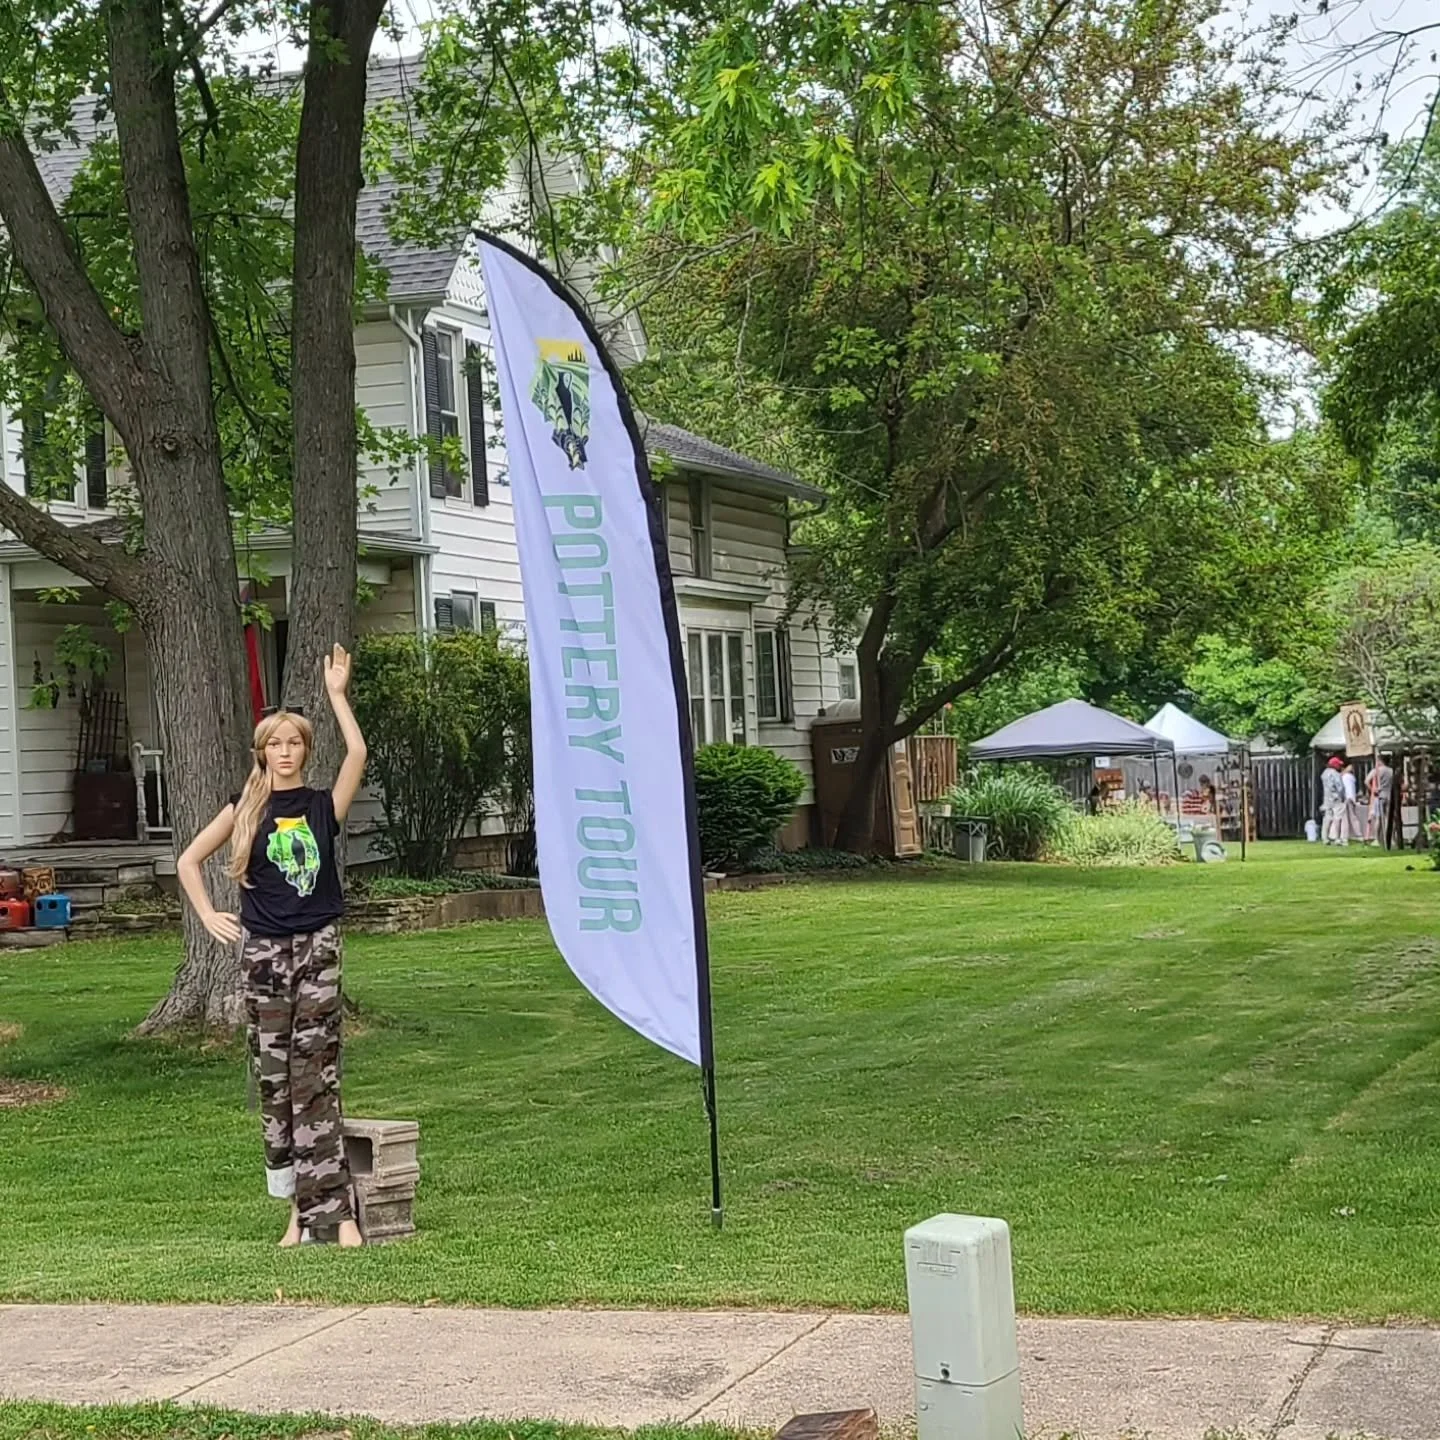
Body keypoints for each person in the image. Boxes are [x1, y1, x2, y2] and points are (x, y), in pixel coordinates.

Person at [177, 645, 368, 1247]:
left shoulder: (319, 806)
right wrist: (209, 915)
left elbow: (358, 754)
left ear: (306, 750)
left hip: (318, 946)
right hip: (263, 954)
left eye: (295, 743)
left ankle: (337, 1216)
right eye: (275, 744)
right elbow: (187, 861)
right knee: (276, 1080)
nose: (286, 752)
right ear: (262, 753)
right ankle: (295, 1212)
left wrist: (337, 696)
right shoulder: (246, 810)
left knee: (318, 1074)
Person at [1368, 753, 1395, 847]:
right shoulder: (1391, 771)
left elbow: (1366, 781)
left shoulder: (1377, 770)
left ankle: (1376, 839)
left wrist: (1373, 789)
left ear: (1380, 760)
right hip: (1389, 795)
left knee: (1379, 818)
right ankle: (1390, 839)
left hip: (1379, 795)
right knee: (1389, 818)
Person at [1320, 756, 1345, 845]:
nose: (1340, 766)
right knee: (1337, 817)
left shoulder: (1324, 773)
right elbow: (1340, 787)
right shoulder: (1335, 774)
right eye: (1338, 765)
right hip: (1336, 798)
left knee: (1328, 818)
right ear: (1335, 765)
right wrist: (1342, 796)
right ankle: (1337, 838)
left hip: (1327, 798)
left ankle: (1325, 838)